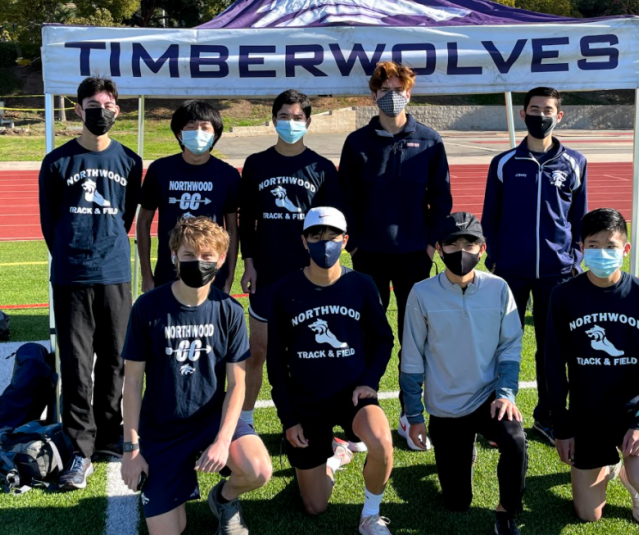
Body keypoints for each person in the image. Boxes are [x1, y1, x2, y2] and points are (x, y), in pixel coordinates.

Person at [121, 217, 273, 535]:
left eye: (207, 257)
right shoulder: (147, 308)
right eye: (189, 255)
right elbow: (133, 382)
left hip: (210, 421)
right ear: (174, 256)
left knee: (258, 469)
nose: (198, 263)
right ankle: (166, 487)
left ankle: (224, 498)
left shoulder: (229, 310)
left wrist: (220, 441)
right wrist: (131, 450)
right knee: (170, 530)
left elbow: (238, 384)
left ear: (220, 259)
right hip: (163, 430)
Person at [338, 61, 452, 448]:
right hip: (367, 254)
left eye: (399, 87)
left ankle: (410, 415)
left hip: (413, 258)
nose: (392, 94)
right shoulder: (357, 143)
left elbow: (441, 199)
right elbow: (345, 198)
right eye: (384, 88)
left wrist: (430, 242)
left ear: (409, 91)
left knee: (414, 337)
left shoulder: (430, 140)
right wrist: (352, 243)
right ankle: (356, 413)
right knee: (363, 335)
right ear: (373, 94)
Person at [38, 76, 143, 490]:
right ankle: (79, 449)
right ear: (79, 109)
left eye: (109, 104)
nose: (102, 111)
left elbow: (126, 216)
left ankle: (109, 436)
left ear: (118, 110)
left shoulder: (130, 161)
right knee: (78, 364)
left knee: (116, 359)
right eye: (93, 104)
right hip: (71, 275)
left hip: (115, 272)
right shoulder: (57, 162)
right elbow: (50, 224)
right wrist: (74, 251)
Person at [267, 207, 395, 535]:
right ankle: (335, 457)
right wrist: (288, 418)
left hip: (352, 396)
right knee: (314, 506)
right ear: (304, 240)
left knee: (381, 441)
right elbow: (276, 361)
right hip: (307, 402)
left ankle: (370, 515)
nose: (325, 242)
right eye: (316, 235)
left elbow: (383, 339)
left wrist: (368, 381)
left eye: (332, 236)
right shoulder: (284, 291)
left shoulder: (362, 285)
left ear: (345, 239)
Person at [400, 212, 527, 535]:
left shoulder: (498, 288)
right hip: (446, 406)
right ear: (439, 249)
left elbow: (510, 346)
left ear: (482, 248)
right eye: (452, 243)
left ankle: (507, 510)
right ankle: (461, 450)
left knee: (515, 439)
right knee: (456, 502)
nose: (461, 250)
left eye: (469, 242)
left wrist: (505, 393)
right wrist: (414, 414)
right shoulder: (422, 293)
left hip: (488, 397)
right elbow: (412, 358)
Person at [481, 86, 588, 443]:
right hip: (511, 271)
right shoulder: (504, 163)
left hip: (556, 274)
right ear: (523, 114)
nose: (540, 115)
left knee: (553, 351)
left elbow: (579, 218)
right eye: (534, 108)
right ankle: (495, 418)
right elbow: (490, 218)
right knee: (501, 345)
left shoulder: (575, 162)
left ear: (559, 116)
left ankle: (549, 416)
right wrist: (496, 259)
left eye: (548, 110)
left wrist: (573, 258)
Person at [544, 208, 639, 527]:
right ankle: (599, 466)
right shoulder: (564, 296)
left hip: (627, 412)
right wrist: (562, 425)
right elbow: (553, 364)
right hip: (586, 415)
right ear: (581, 249)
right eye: (593, 245)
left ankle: (634, 484)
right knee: (588, 515)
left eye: (610, 245)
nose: (602, 252)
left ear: (625, 249)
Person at [238, 90, 341, 429]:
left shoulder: (322, 168)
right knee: (257, 352)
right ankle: (245, 421)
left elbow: (330, 228)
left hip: (306, 275)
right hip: (267, 271)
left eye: (298, 117)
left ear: (308, 122)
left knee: (303, 354)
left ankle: (302, 419)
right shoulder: (256, 164)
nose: (291, 122)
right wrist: (248, 262)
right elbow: (247, 220)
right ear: (273, 119)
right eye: (285, 116)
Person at [136, 101, 240, 293]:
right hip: (168, 272)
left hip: (211, 271)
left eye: (204, 127)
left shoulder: (228, 175)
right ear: (179, 134)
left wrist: (229, 274)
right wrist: (146, 275)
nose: (198, 133)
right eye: (191, 128)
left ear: (215, 134)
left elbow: (232, 228)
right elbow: (143, 222)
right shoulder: (160, 170)